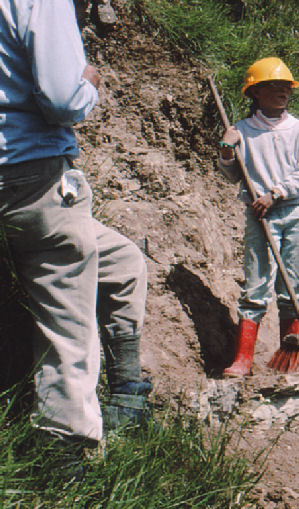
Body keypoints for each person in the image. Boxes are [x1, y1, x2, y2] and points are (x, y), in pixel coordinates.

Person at [0, 0, 149, 450]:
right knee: (68, 320)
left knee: (123, 262)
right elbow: (63, 98)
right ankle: (65, 454)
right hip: (32, 178)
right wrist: (88, 85)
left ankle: (128, 398)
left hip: (17, 187)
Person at [218, 57, 299, 377]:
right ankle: (243, 361)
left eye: (286, 86)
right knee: (256, 287)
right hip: (260, 216)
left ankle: (292, 362)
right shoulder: (242, 131)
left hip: (296, 212)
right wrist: (226, 150)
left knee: (294, 289)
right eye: (275, 86)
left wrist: (275, 194)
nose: (283, 92)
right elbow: (233, 176)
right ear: (255, 92)